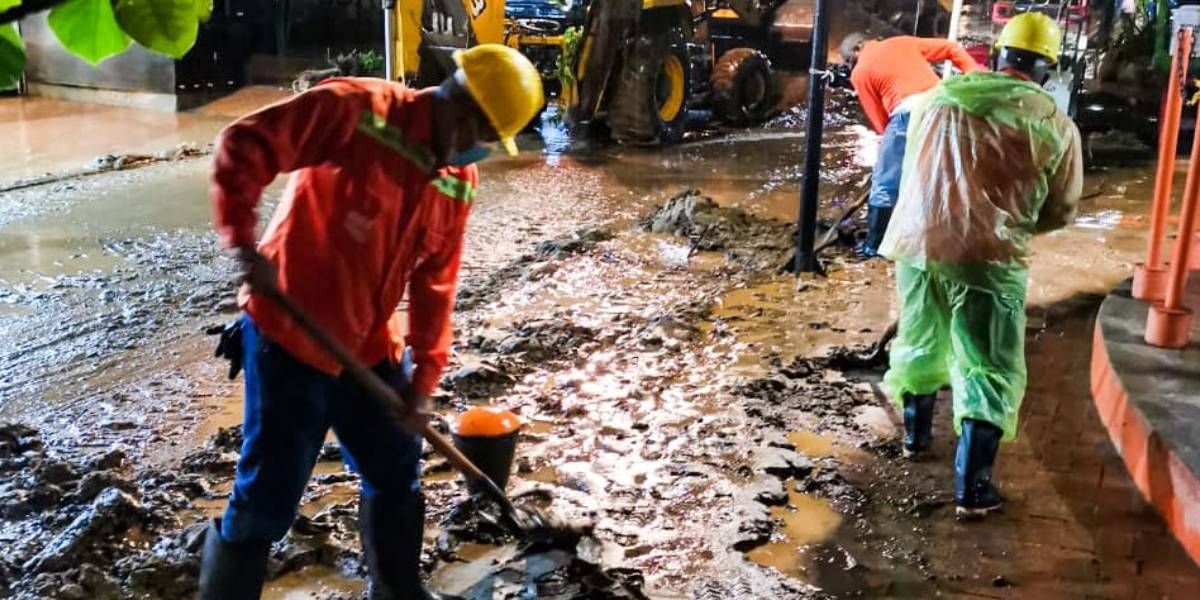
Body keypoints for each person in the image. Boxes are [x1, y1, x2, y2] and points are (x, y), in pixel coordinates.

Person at [198, 44, 544, 599]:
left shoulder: (457, 179)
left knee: (395, 468)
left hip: (366, 346)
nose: (479, 152)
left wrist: (423, 380)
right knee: (268, 496)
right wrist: (243, 243)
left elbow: (435, 285)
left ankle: (397, 591)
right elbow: (244, 144)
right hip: (290, 336)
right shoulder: (356, 110)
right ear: (462, 117)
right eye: (483, 137)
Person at [878, 12, 1082, 518]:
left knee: (920, 341)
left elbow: (907, 170)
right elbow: (1061, 208)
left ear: (1000, 55)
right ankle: (973, 490)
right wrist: (1007, 226)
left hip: (917, 246)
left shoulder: (939, 98)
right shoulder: (1055, 124)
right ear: (1046, 69)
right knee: (989, 366)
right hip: (989, 261)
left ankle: (914, 439)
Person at [838, 32, 984, 258]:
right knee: (944, 177)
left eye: (849, 63)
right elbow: (950, 48)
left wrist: (892, 150)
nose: (851, 67)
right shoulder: (902, 42)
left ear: (855, 52)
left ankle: (874, 246)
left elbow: (880, 123)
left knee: (885, 185)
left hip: (907, 114)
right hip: (946, 107)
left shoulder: (859, 72)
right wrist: (975, 74)